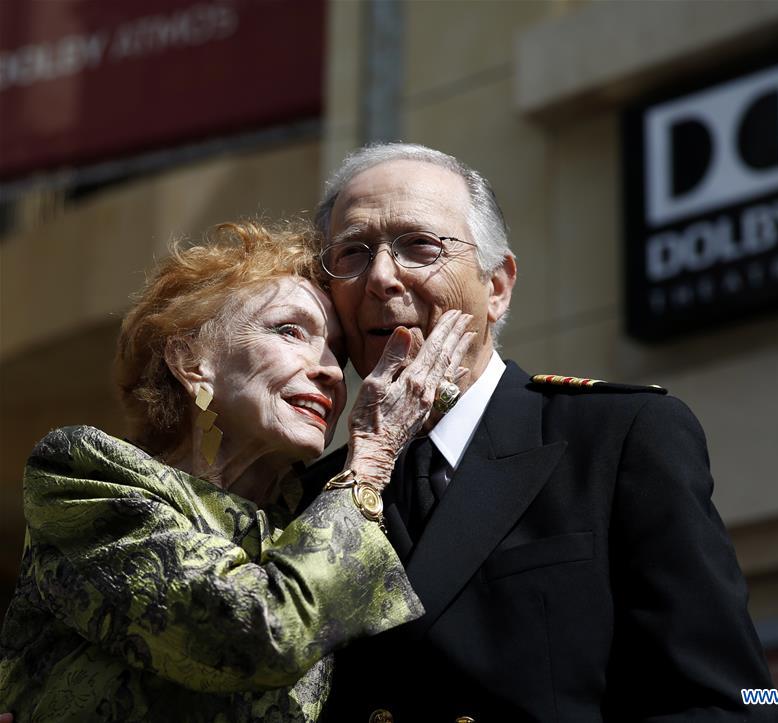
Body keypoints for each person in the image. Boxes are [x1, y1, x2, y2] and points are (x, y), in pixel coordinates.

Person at [311, 143, 778, 721]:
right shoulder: (318, 494)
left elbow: (725, 707)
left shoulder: (616, 438)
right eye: (353, 253)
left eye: (420, 245)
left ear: (497, 287)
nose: (382, 277)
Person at [0, 220, 474, 721]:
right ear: (190, 360)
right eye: (289, 331)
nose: (331, 371)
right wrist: (373, 455)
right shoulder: (83, 473)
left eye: (338, 352)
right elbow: (252, 633)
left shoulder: (313, 514)